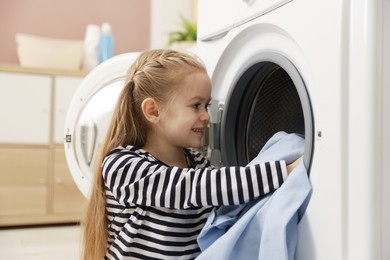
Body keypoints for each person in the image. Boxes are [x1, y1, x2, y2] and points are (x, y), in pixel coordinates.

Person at [82, 49, 301, 260]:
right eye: (196, 105)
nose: (206, 116)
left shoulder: (196, 162)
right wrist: (285, 171)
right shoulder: (122, 165)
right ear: (153, 111)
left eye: (206, 105)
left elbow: (224, 198)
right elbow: (196, 187)